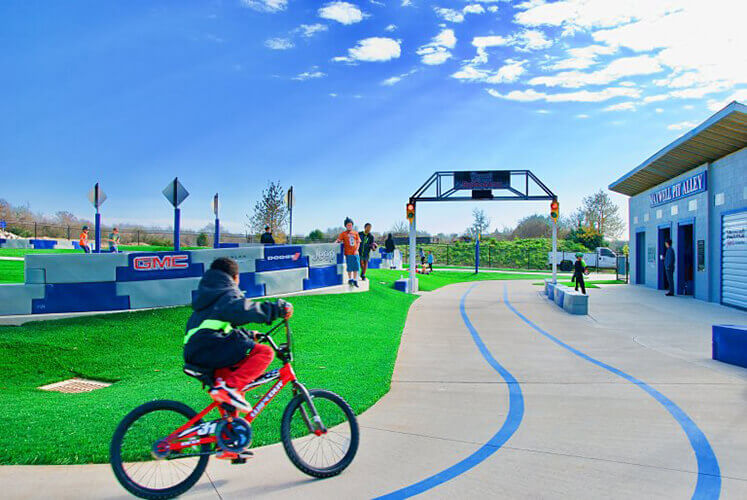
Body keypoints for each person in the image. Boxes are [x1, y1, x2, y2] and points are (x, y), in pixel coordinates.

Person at [184, 257, 293, 414]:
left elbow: (221, 327)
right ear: (234, 277)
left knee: (232, 409)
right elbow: (242, 309)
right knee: (265, 352)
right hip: (208, 348)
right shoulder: (224, 292)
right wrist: (276, 310)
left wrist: (249, 334)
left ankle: (229, 431)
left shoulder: (210, 294)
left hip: (202, 350)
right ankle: (230, 388)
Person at [336, 217, 361, 287]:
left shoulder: (356, 233)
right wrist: (333, 244)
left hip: (355, 253)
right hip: (348, 253)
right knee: (349, 267)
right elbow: (338, 240)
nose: (349, 226)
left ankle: (355, 280)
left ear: (352, 225)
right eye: (348, 225)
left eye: (350, 225)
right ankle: (350, 279)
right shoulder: (343, 234)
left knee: (356, 267)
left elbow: (358, 242)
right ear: (345, 226)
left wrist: (356, 250)